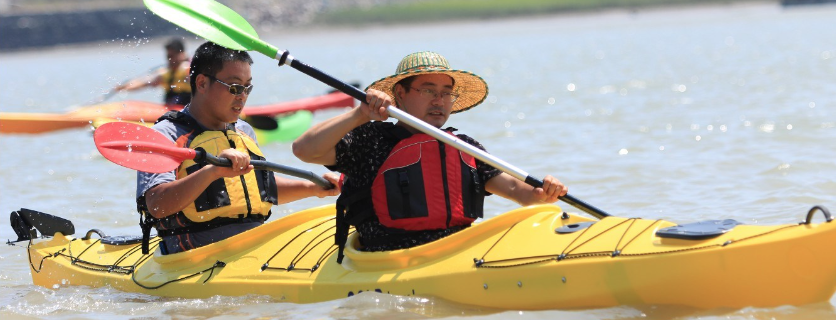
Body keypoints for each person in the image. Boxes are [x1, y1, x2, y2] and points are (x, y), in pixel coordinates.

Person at [292, 51, 567, 259]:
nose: (439, 101)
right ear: (400, 93)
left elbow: (519, 191)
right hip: (386, 259)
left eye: (447, 94)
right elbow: (304, 150)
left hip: (453, 252)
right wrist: (359, 114)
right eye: (428, 91)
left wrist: (544, 193)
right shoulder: (370, 139)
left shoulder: (464, 145)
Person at [136, 41, 340, 255]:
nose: (242, 96)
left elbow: (260, 187)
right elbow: (156, 205)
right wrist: (211, 172)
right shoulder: (165, 134)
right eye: (234, 87)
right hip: (190, 257)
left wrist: (313, 188)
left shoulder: (243, 131)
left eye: (247, 87)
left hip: (251, 246)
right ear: (202, 83)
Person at [113, 38, 192, 105]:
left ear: (182, 54)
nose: (170, 60)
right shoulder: (165, 73)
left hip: (187, 109)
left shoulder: (188, 68)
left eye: (172, 56)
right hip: (172, 109)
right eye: (168, 57)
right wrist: (124, 87)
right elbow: (144, 82)